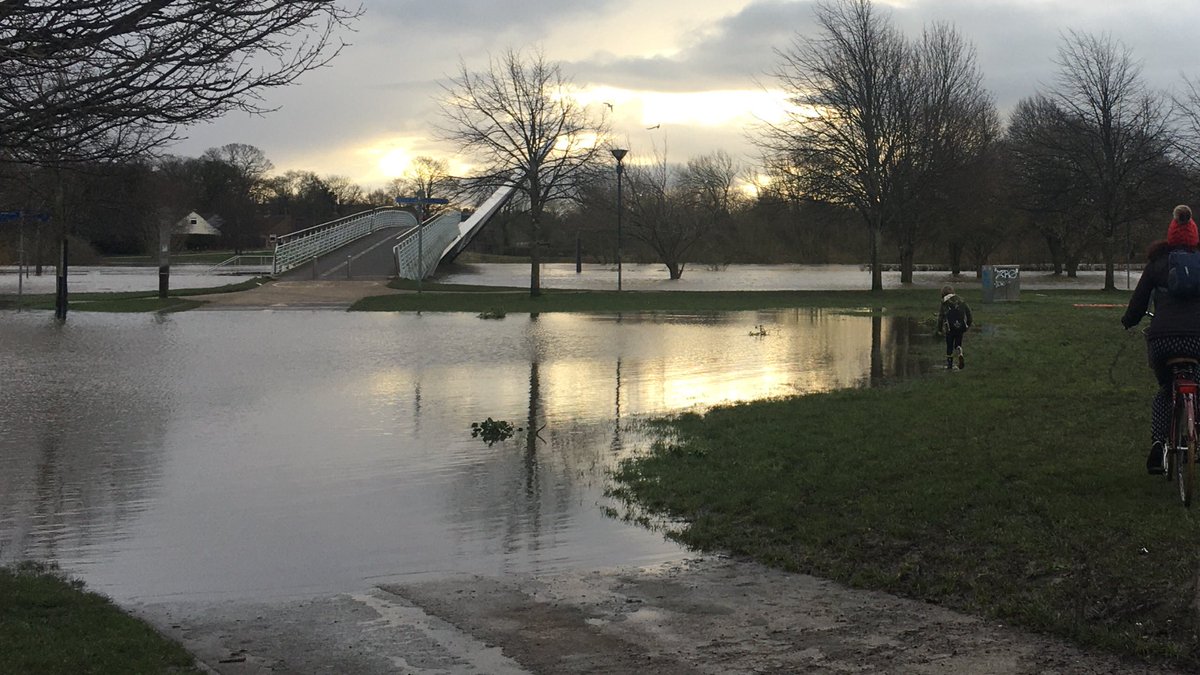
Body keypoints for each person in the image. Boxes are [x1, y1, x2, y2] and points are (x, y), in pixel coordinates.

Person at [1121, 204, 1200, 474]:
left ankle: (1158, 445)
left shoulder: (1157, 264)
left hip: (1162, 340)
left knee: (1166, 392)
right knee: (1197, 385)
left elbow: (1138, 303)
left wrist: (1128, 321)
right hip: (1197, 339)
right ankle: (1194, 433)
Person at [936, 285, 972, 370]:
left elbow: (941, 317)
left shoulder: (944, 302)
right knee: (958, 344)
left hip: (950, 328)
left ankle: (949, 365)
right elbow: (969, 313)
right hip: (961, 327)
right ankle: (959, 352)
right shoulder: (961, 300)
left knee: (949, 346)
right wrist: (968, 324)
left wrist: (939, 329)